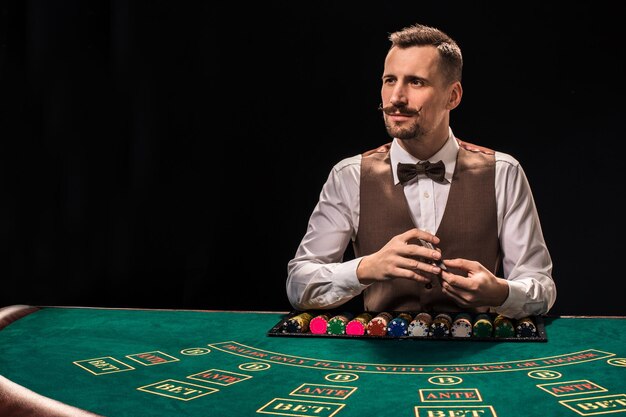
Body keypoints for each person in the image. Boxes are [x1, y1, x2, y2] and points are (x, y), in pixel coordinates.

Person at [286, 23, 556, 319]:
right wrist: (365, 268)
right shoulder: (348, 175)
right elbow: (299, 286)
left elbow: (541, 288)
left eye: (416, 82)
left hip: (478, 360)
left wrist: (501, 293)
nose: (396, 97)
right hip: (381, 360)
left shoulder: (504, 172)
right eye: (390, 80)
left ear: (452, 96)